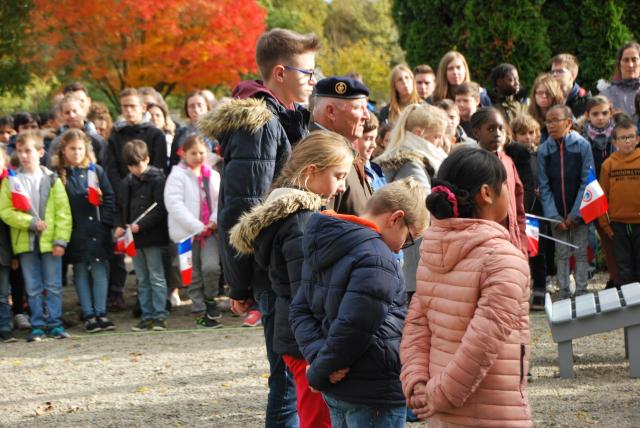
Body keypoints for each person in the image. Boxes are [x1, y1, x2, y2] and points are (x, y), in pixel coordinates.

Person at [199, 28, 320, 428]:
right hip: (271, 271)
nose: (312, 80)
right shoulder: (260, 123)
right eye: (307, 72)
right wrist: (239, 285)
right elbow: (242, 209)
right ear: (281, 72)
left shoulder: (288, 117)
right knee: (285, 378)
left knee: (292, 375)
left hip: (287, 262)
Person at [401, 147, 532, 427]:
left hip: (442, 410)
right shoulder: (503, 258)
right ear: (487, 193)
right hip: (492, 412)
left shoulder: (432, 249)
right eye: (505, 186)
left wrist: (418, 383)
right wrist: (438, 395)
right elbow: (482, 345)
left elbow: (415, 326)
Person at [230, 131, 353, 428]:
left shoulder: (295, 213)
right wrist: (323, 348)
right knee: (317, 419)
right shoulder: (302, 222)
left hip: (298, 334)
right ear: (312, 171)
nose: (343, 185)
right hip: (307, 340)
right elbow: (309, 291)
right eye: (338, 175)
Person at [290, 178, 429, 428]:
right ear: (396, 218)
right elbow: (353, 326)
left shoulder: (326, 242)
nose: (403, 248)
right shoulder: (379, 258)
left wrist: (319, 358)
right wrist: (321, 371)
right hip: (373, 389)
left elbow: (300, 311)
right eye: (409, 239)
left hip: (339, 385)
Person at [0, 131, 72, 341]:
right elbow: (5, 211)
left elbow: (63, 213)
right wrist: (30, 223)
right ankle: (38, 324)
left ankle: (55, 323)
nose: (24, 155)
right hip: (26, 242)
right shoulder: (12, 181)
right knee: (32, 287)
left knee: (53, 285)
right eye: (20, 151)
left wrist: (61, 240)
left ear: (40, 152)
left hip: (51, 242)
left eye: (28, 151)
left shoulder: (51, 179)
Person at [105, 88, 167, 311]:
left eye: (132, 106)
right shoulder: (115, 136)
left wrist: (142, 182)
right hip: (127, 200)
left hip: (151, 207)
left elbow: (160, 167)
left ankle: (159, 307)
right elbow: (111, 168)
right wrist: (125, 187)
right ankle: (145, 307)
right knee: (140, 269)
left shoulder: (155, 135)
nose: (128, 111)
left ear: (143, 107)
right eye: (124, 107)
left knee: (155, 268)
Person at [52, 129, 115, 332]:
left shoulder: (95, 171)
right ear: (64, 150)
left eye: (80, 148)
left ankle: (101, 312)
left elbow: (109, 198)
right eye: (72, 149)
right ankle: (88, 313)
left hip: (97, 229)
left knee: (99, 270)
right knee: (79, 270)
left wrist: (104, 224)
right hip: (75, 230)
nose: (77, 153)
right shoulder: (59, 176)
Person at [538, 104, 594, 298]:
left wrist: (575, 215)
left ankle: (581, 289)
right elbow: (543, 186)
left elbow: (587, 182)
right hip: (556, 215)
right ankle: (563, 291)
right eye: (548, 121)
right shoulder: (544, 150)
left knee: (579, 251)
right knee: (561, 253)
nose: (550, 126)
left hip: (579, 213)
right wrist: (553, 216)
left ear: (568, 123)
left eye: (555, 121)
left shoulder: (582, 146)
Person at [164, 135, 221, 327]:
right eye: (193, 153)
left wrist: (213, 220)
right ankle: (199, 310)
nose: (198, 156)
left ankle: (211, 298)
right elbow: (174, 204)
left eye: (201, 153)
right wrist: (196, 226)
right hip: (187, 234)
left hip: (210, 232)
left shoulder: (213, 175)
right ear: (184, 153)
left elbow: (220, 201)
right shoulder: (177, 176)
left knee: (211, 267)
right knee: (193, 273)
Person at [114, 140, 170, 331]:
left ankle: (160, 314)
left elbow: (160, 209)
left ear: (147, 159)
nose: (135, 169)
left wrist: (140, 225)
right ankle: (147, 315)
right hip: (134, 239)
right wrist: (120, 226)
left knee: (156, 275)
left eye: (137, 164)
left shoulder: (158, 179)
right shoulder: (126, 182)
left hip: (152, 235)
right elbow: (121, 208)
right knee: (142, 278)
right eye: (130, 166)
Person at [311, 76, 372, 215]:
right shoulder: (321, 153)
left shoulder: (342, 148)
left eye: (366, 108)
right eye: (359, 108)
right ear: (331, 112)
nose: (367, 115)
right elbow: (322, 224)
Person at [471, 108, 528, 256]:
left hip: (514, 242)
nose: (497, 134)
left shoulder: (508, 161)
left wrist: (521, 242)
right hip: (487, 245)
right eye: (491, 129)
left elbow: (519, 204)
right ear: (477, 132)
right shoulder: (472, 163)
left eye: (501, 128)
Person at [507, 114, 547, 308]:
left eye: (531, 132)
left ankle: (540, 289)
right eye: (522, 133)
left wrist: (541, 189)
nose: (527, 137)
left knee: (539, 252)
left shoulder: (540, 154)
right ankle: (522, 290)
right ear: (514, 135)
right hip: (518, 208)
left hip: (537, 209)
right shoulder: (510, 156)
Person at [598, 116, 640, 286]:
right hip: (618, 225)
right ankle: (628, 306)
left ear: (638, 139)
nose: (628, 141)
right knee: (623, 266)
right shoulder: (608, 165)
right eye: (623, 138)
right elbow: (602, 197)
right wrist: (606, 226)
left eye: (631, 137)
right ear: (615, 142)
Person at [48, 94, 107, 165]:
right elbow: (51, 168)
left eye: (74, 111)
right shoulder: (57, 143)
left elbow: (106, 168)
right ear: (62, 115)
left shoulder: (97, 141)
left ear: (82, 111)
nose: (72, 115)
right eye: (67, 113)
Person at [169, 91, 212, 167]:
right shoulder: (181, 132)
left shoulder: (217, 130)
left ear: (207, 107)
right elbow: (174, 159)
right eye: (192, 106)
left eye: (200, 105)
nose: (196, 109)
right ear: (187, 110)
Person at [600, 42, 640, 121]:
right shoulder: (606, 95)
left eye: (634, 59)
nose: (630, 65)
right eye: (626, 60)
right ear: (619, 64)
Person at [0, 147, 16, 342]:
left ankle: (5, 326)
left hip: (3, 251)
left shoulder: (10, 186)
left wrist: (12, 255)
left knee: (3, 293)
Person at [550, 54, 591, 118]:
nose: (554, 75)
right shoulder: (548, 98)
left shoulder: (586, 101)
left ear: (573, 75)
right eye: (552, 72)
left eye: (560, 71)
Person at [528, 74, 565, 143]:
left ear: (555, 94)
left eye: (548, 93)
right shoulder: (528, 118)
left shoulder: (564, 116)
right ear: (534, 95)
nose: (544, 96)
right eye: (540, 93)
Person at [354, 115, 386, 192]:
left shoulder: (377, 173)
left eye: (374, 138)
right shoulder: (349, 173)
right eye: (368, 139)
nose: (374, 145)